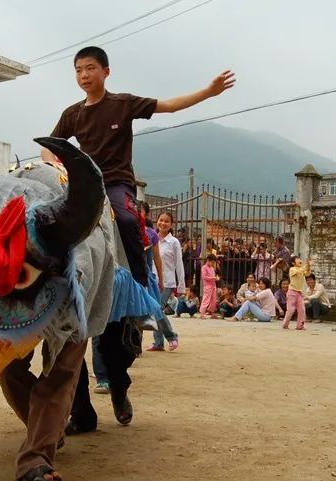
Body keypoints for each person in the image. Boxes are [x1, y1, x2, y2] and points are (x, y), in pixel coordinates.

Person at [37, 46, 235, 481]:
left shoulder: (122, 104)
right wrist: (57, 168)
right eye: (78, 70)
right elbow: (52, 149)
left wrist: (208, 91)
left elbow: (167, 106)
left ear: (106, 71)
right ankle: (78, 410)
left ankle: (138, 280)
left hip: (114, 187)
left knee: (126, 216)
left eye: (90, 68)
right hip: (80, 188)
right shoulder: (72, 114)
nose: (84, 75)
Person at [147, 212, 184, 351]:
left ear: (171, 225)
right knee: (155, 309)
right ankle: (158, 343)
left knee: (157, 308)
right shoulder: (151, 238)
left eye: (166, 221)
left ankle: (171, 336)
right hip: (153, 281)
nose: (163, 223)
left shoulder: (174, 242)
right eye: (161, 220)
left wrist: (181, 287)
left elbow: (179, 264)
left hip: (168, 282)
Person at [282, 256, 312, 330]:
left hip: (299, 292)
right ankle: (285, 324)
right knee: (291, 310)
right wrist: (306, 266)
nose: (300, 260)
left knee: (302, 309)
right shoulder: (292, 269)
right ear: (293, 263)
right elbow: (299, 271)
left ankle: (300, 325)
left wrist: (308, 266)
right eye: (297, 259)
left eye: (300, 259)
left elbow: (307, 274)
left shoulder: (301, 269)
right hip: (292, 291)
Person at [199, 254, 219, 319]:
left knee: (213, 299)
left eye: (214, 262)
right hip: (207, 286)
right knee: (206, 299)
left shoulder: (212, 268)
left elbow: (212, 277)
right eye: (212, 262)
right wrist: (214, 278)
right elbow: (204, 277)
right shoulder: (204, 267)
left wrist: (215, 278)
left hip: (213, 285)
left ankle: (212, 312)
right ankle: (202, 313)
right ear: (208, 260)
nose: (213, 264)